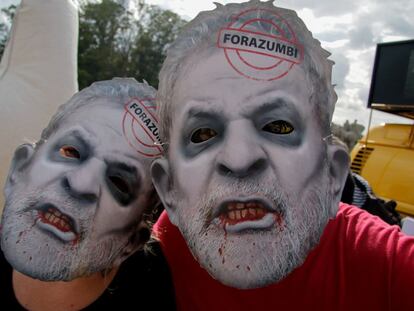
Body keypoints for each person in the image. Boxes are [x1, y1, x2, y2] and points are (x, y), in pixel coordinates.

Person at [151, 0, 414, 309]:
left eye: (278, 126)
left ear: (332, 175)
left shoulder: (386, 264)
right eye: (204, 134)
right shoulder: (158, 254)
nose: (239, 159)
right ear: (169, 190)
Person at [0, 78, 175, 310]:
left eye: (119, 182)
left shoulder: (147, 289)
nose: (81, 184)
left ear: (131, 242)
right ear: (20, 169)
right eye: (71, 152)